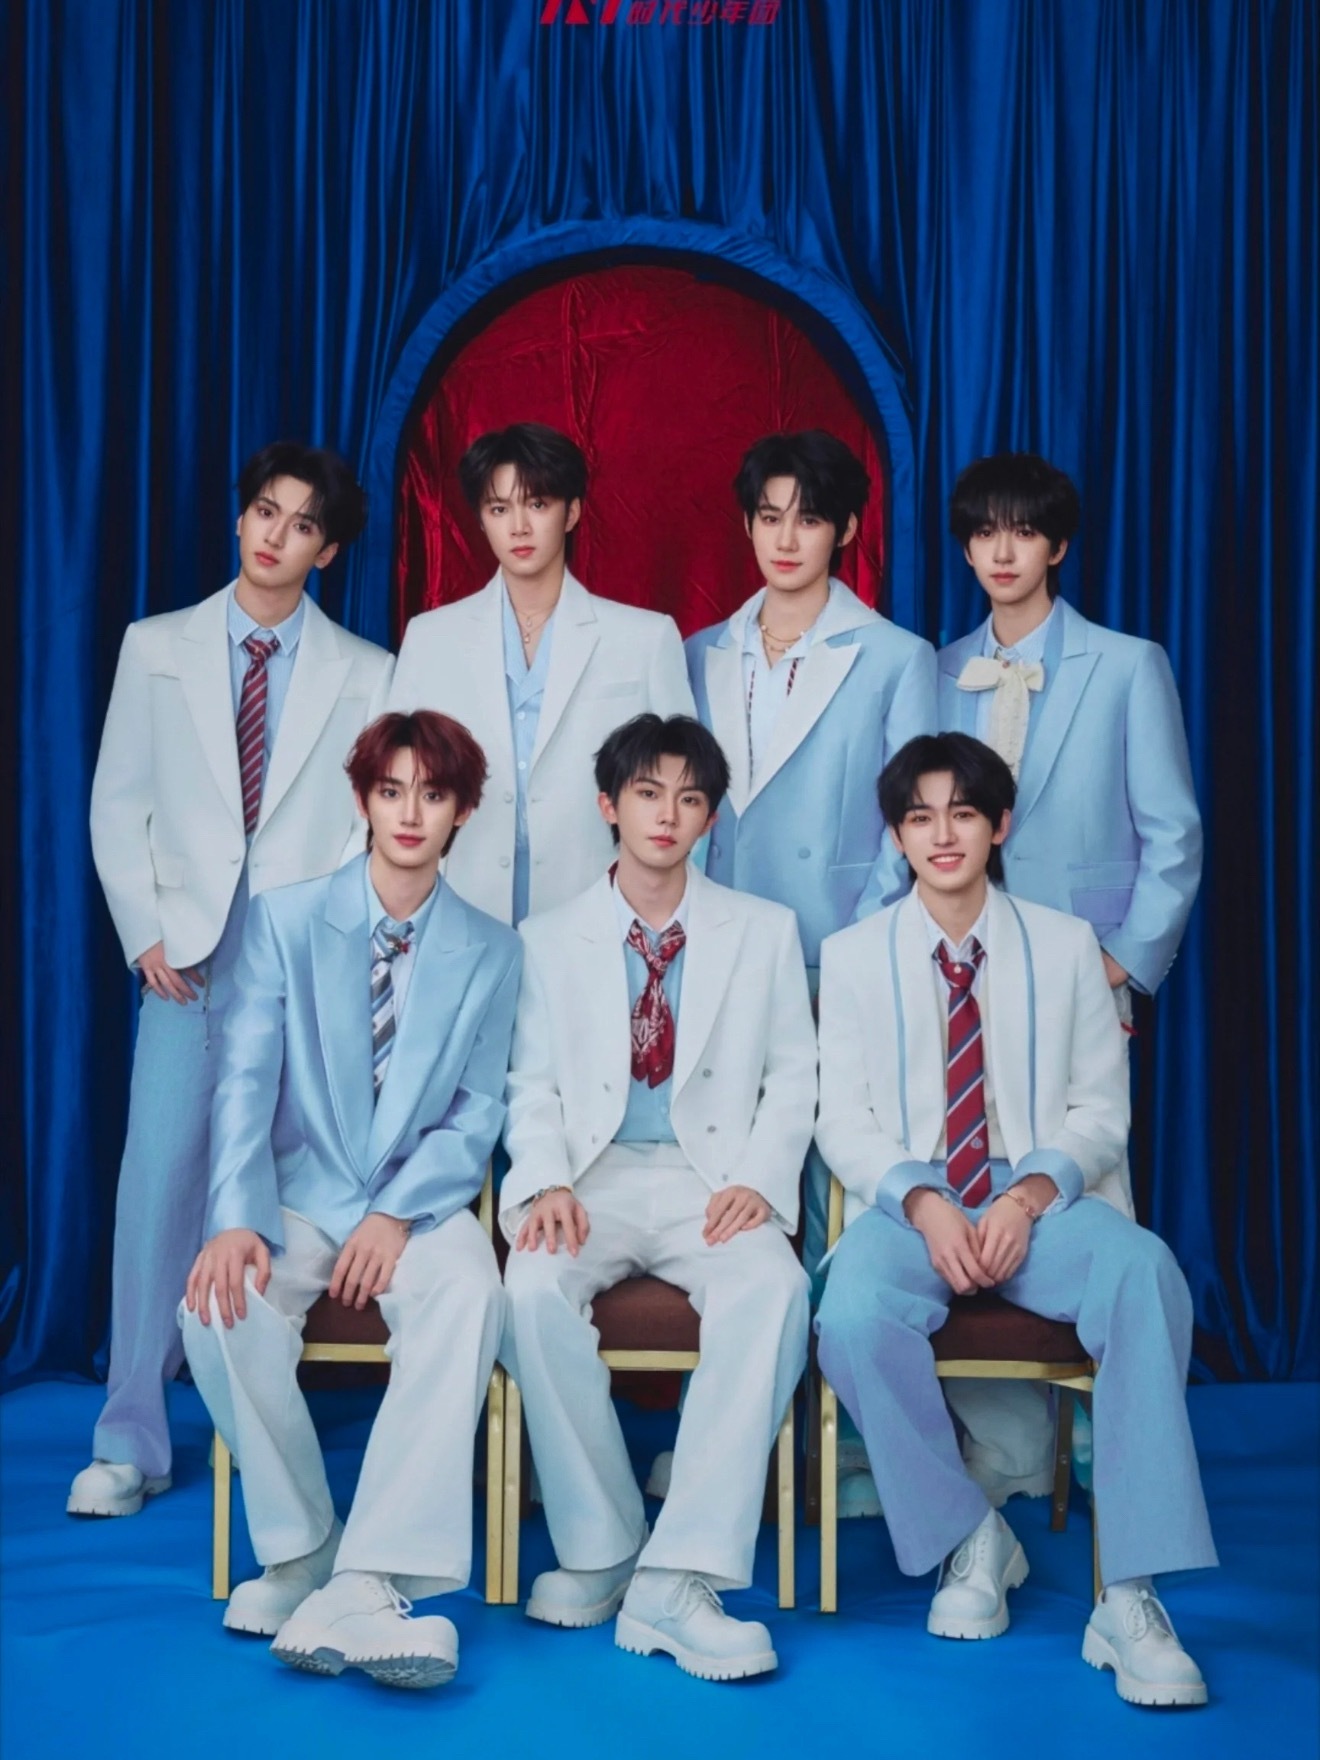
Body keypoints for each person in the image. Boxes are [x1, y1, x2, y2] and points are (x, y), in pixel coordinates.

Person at [814, 733, 1216, 1708]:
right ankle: (970, 1534)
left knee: (1145, 1272)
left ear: (999, 825)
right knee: (850, 1316)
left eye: (962, 812)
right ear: (897, 836)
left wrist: (1029, 1195)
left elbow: (1100, 1110)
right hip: (913, 1200)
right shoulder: (853, 955)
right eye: (919, 816)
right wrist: (922, 1201)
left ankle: (1130, 1592)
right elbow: (843, 1118)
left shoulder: (1067, 944)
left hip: (1038, 1197)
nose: (942, 834)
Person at [70, 443, 393, 1518]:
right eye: (265, 511)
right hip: (188, 965)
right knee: (157, 1186)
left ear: (327, 550)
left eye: (301, 524)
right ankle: (129, 1436)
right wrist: (144, 933)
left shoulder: (368, 670)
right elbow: (118, 801)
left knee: (285, 1194)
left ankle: (261, 1424)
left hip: (305, 968)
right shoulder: (156, 646)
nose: (274, 535)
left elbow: (366, 824)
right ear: (242, 517)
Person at [180, 711, 521, 1690]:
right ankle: (304, 1550)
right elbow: (244, 1082)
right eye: (391, 790)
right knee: (214, 1306)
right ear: (364, 799)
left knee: (470, 1294)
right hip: (296, 1193)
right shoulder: (285, 920)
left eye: (433, 794)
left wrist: (398, 1211)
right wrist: (235, 1218)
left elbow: (476, 1113)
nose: (410, 812)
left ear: (462, 812)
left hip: (418, 1202)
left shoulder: (493, 950)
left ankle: (372, 1578)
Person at [499, 714, 815, 1681]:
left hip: (708, 1179)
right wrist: (546, 1179)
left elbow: (794, 1077)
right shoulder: (545, 938)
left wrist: (758, 1179)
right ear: (610, 805)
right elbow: (528, 1084)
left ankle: (681, 1575)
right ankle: (604, 1546)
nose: (667, 814)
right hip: (587, 1178)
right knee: (528, 1290)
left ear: (710, 817)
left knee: (775, 1289)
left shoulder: (763, 930)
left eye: (689, 797)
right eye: (647, 793)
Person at [936, 451, 1202, 1502]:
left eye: (1022, 531)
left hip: (1082, 980)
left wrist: (1120, 963)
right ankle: (1005, 1442)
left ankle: (1106, 1438)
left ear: (1055, 543)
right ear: (966, 548)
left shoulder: (1127, 665)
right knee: (967, 1183)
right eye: (983, 532)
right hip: (958, 978)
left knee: (1087, 1186)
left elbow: (1172, 835)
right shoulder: (938, 670)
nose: (1001, 551)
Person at [389, 422, 695, 925]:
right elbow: (392, 778)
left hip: (599, 904)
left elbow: (687, 785)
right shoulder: (430, 637)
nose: (519, 527)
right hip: (459, 899)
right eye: (499, 509)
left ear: (571, 512)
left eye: (537, 504)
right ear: (481, 520)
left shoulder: (644, 638)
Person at [685, 429, 937, 973]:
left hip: (834, 939)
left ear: (846, 529)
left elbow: (911, 818)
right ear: (748, 523)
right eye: (770, 518)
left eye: (809, 520)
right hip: (713, 934)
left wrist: (861, 944)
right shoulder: (700, 652)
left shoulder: (897, 658)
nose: (785, 541)